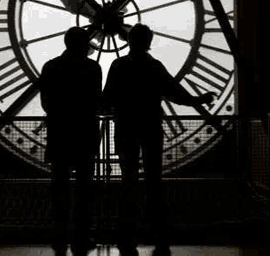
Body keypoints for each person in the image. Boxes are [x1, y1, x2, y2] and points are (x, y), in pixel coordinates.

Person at [102, 24, 216, 255]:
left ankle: (127, 231)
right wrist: (198, 100)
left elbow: (107, 98)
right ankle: (157, 230)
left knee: (128, 181)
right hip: (150, 127)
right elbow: (177, 93)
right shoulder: (154, 67)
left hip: (126, 128)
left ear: (130, 40)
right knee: (154, 180)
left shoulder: (119, 66)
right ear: (148, 42)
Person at [39, 26, 102, 254]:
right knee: (85, 188)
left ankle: (60, 232)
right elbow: (96, 101)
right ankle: (82, 234)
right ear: (84, 45)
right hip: (85, 134)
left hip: (60, 134)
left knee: (59, 186)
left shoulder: (51, 67)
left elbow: (47, 103)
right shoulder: (92, 68)